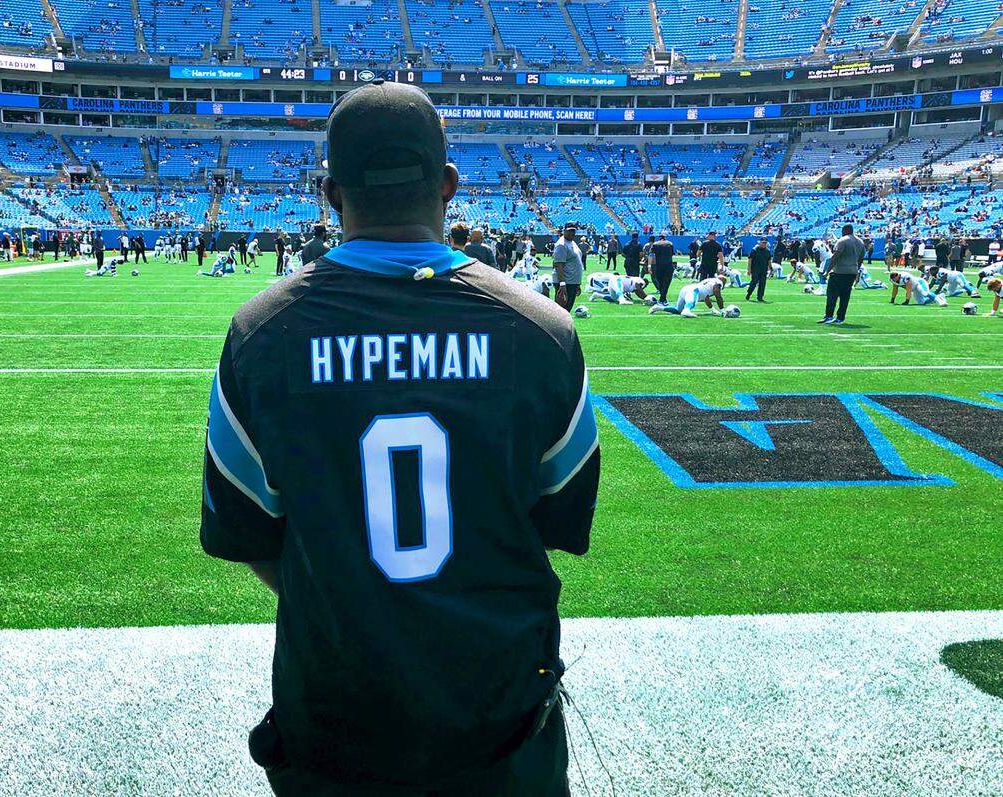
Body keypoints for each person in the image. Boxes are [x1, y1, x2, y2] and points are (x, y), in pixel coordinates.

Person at [201, 79, 597, 795]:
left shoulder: (260, 333)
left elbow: (248, 533)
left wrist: (352, 597)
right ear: (448, 184)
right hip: (498, 717)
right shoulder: (545, 331)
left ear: (330, 193)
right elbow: (554, 521)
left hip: (335, 717)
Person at [819, 223, 865, 325]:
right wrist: (856, 269)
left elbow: (835, 256)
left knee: (832, 295)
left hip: (839, 272)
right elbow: (861, 258)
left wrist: (827, 271)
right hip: (852, 272)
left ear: (844, 231)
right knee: (845, 296)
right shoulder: (860, 242)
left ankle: (829, 316)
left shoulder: (842, 240)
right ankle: (840, 318)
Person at [649, 275, 726, 318]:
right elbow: (717, 294)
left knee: (678, 310)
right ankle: (687, 310)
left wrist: (712, 309)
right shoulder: (718, 282)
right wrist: (722, 310)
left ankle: (658, 307)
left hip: (686, 289)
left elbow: (706, 297)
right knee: (690, 304)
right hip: (694, 290)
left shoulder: (709, 281)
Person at [552, 221, 583, 312]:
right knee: (561, 311)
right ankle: (556, 326)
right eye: (569, 231)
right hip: (566, 282)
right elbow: (558, 265)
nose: (572, 233)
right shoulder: (562, 244)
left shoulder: (572, 242)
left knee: (567, 309)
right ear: (564, 231)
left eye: (573, 231)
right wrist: (562, 284)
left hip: (571, 282)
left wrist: (577, 284)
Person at [648, 234, 676, 304]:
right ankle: (663, 298)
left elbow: (651, 255)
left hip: (659, 266)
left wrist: (649, 266)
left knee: (660, 282)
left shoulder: (655, 244)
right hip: (669, 265)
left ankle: (662, 298)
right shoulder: (670, 244)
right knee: (666, 282)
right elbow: (672, 254)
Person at [745, 237, 772, 302]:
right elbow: (750, 259)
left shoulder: (767, 251)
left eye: (765, 243)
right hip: (755, 269)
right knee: (754, 282)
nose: (764, 244)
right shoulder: (754, 250)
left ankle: (760, 297)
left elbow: (769, 260)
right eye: (763, 242)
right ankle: (749, 293)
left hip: (764, 270)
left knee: (762, 284)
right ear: (759, 242)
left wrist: (770, 268)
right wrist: (749, 269)